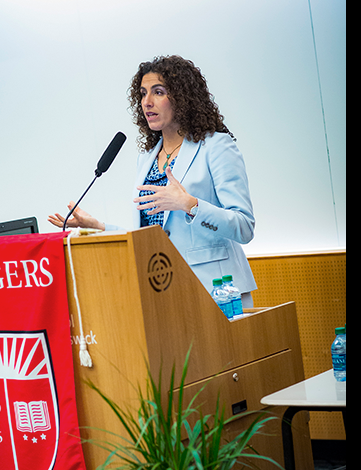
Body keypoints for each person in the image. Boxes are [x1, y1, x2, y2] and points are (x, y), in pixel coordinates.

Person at [48, 55, 256, 306]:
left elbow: (243, 227)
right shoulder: (146, 159)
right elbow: (152, 234)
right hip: (164, 290)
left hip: (217, 291)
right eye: (143, 94)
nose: (147, 102)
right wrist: (99, 227)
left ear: (183, 97)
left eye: (158, 92)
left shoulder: (215, 146)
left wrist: (190, 204)